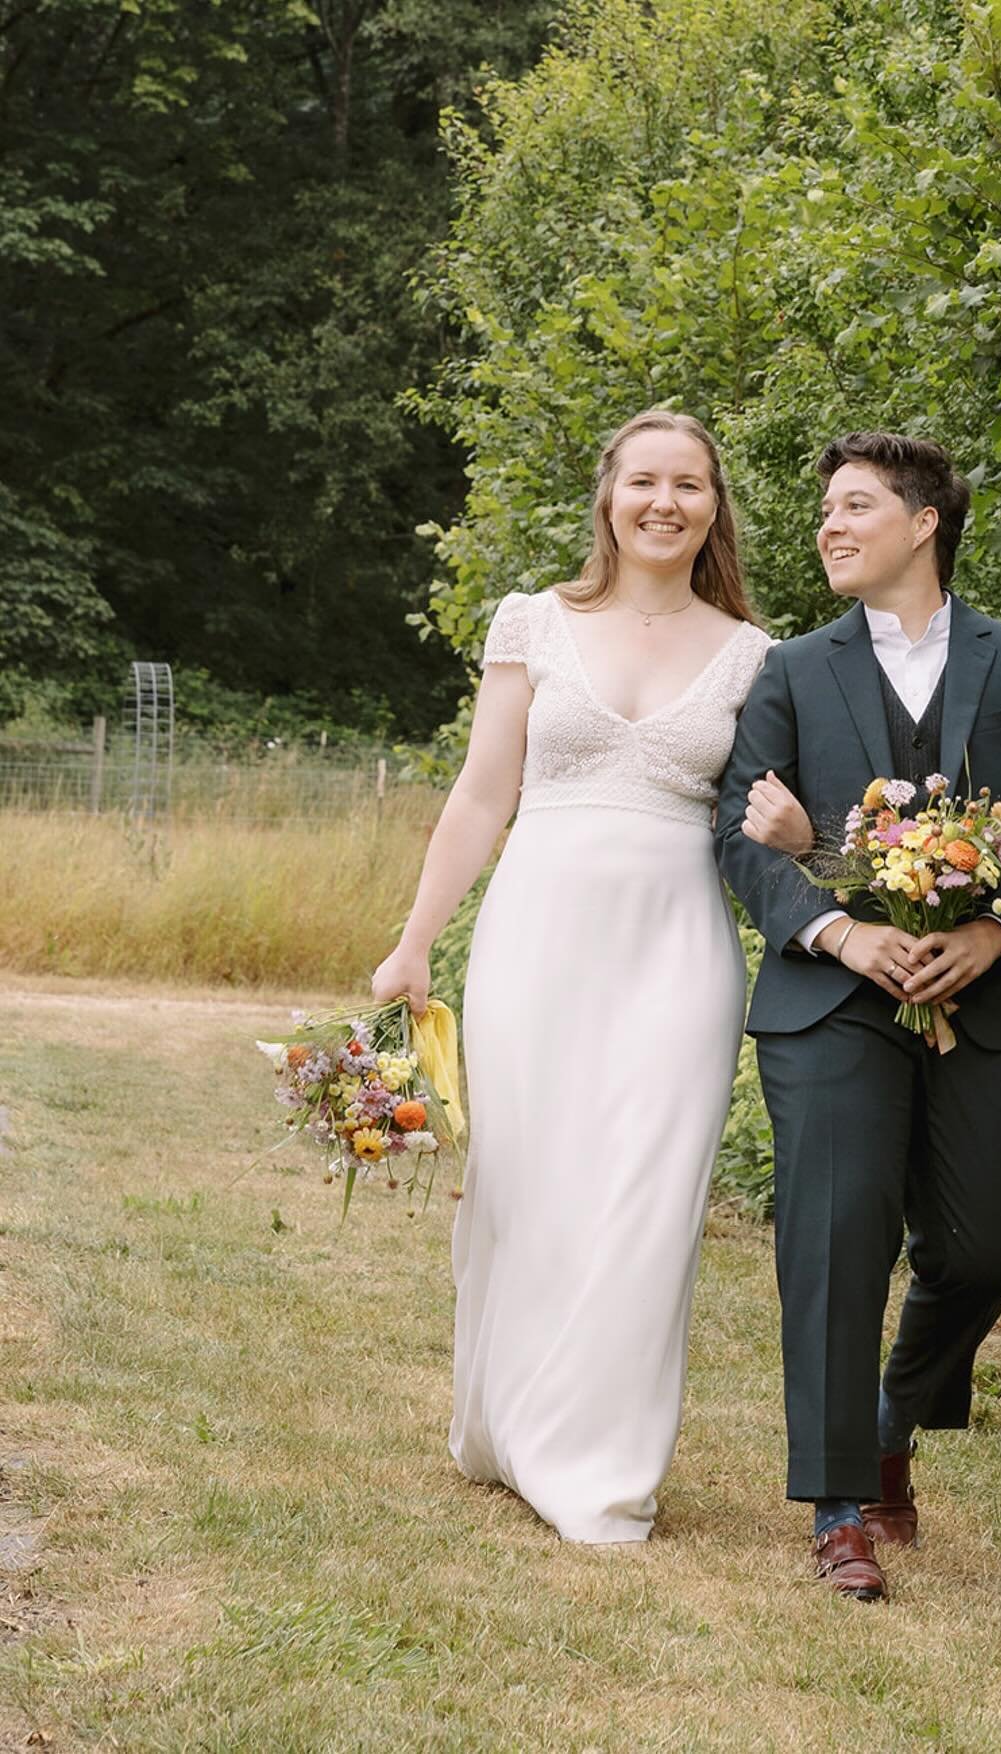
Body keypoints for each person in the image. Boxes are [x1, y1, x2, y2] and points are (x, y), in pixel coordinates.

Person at [372, 410, 773, 1543]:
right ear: (608, 496)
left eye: (688, 483)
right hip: (537, 936)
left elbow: (766, 824)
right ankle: (506, 1425)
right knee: (530, 1183)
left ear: (713, 506)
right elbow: (480, 796)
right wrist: (415, 938)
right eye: (643, 480)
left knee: (649, 1198)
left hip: (679, 951)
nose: (665, 501)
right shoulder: (535, 621)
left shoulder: (754, 655)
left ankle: (598, 1467)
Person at [716, 431, 1001, 1601]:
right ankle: (839, 1507)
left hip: (991, 1000)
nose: (829, 526)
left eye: (854, 506)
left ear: (924, 522)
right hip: (829, 1001)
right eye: (825, 510)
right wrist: (839, 927)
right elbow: (740, 820)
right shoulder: (790, 668)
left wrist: (993, 933)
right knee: (835, 1238)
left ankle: (891, 1416)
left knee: (987, 1243)